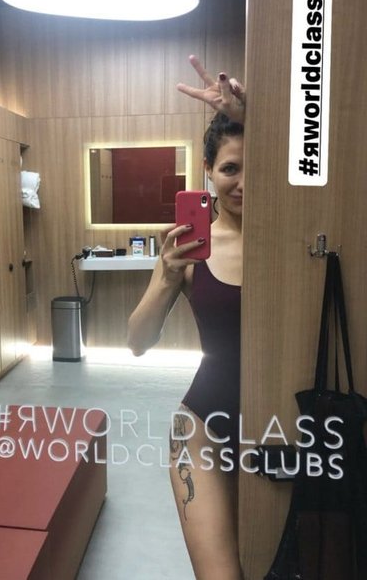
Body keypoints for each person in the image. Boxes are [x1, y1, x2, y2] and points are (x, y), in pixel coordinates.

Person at [127, 55, 246, 580]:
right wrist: (168, 275)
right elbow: (137, 342)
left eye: (255, 166)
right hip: (203, 427)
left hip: (291, 426)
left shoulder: (301, 238)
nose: (242, 182)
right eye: (230, 168)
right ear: (209, 173)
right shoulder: (190, 247)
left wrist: (254, 113)